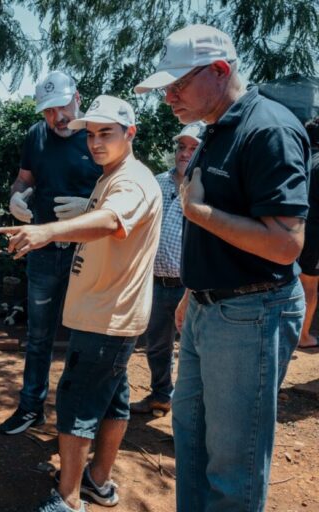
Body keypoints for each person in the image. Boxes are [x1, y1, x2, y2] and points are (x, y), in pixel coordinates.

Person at [134, 24, 310, 512]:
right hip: (210, 309)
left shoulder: (267, 129)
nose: (168, 96)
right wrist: (194, 293)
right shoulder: (216, 130)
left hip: (251, 312)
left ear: (219, 71)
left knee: (233, 465)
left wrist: (200, 213)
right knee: (191, 443)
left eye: (177, 84)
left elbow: (285, 244)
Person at [1, 95, 162, 512]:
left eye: (105, 133)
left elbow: (112, 221)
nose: (94, 142)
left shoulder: (131, 180)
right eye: (90, 134)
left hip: (105, 318)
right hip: (108, 313)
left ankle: (68, 499)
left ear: (131, 133)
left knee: (76, 404)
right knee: (113, 399)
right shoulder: (112, 175)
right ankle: (98, 482)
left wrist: (48, 232)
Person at [0, 71, 102, 435]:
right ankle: (31, 407)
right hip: (42, 250)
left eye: (62, 106)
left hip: (86, 253)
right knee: (39, 335)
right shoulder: (36, 135)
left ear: (78, 96)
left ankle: (75, 418)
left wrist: (90, 206)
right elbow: (25, 178)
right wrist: (16, 197)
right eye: (48, 110)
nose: (57, 116)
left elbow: (123, 193)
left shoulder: (99, 136)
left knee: (82, 338)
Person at [130, 121, 204, 416]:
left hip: (193, 285)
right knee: (157, 346)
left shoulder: (207, 188)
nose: (184, 153)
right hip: (156, 283)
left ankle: (191, 411)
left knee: (193, 351)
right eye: (181, 147)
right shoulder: (157, 182)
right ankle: (162, 394)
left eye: (193, 148)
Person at [298, 117, 319, 349]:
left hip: (293, 230)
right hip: (314, 235)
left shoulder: (300, 160)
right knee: (309, 285)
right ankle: (303, 336)